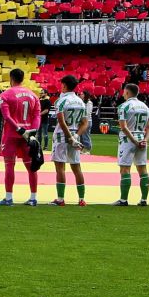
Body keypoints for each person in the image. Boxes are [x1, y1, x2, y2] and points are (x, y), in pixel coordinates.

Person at [0, 68, 42, 207]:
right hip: (28, 136)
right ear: (23, 78)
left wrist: (18, 129)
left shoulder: (5, 95)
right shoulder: (33, 95)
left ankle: (9, 198)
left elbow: (6, 116)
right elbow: (37, 115)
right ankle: (33, 198)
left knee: (9, 165)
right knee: (31, 166)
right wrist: (32, 132)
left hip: (11, 134)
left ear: (11, 78)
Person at [49, 75, 92, 205]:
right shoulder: (81, 102)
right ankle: (81, 199)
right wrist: (76, 136)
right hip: (75, 134)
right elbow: (85, 123)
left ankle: (60, 199)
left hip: (62, 136)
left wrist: (70, 137)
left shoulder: (60, 101)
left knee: (60, 167)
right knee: (76, 167)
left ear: (64, 85)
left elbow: (61, 121)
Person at [114, 81, 149, 207]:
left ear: (126, 92)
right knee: (142, 169)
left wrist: (134, 140)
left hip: (128, 139)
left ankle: (124, 199)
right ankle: (144, 200)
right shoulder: (145, 106)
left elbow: (124, 127)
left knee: (125, 168)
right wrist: (145, 139)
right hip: (141, 137)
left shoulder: (123, 107)